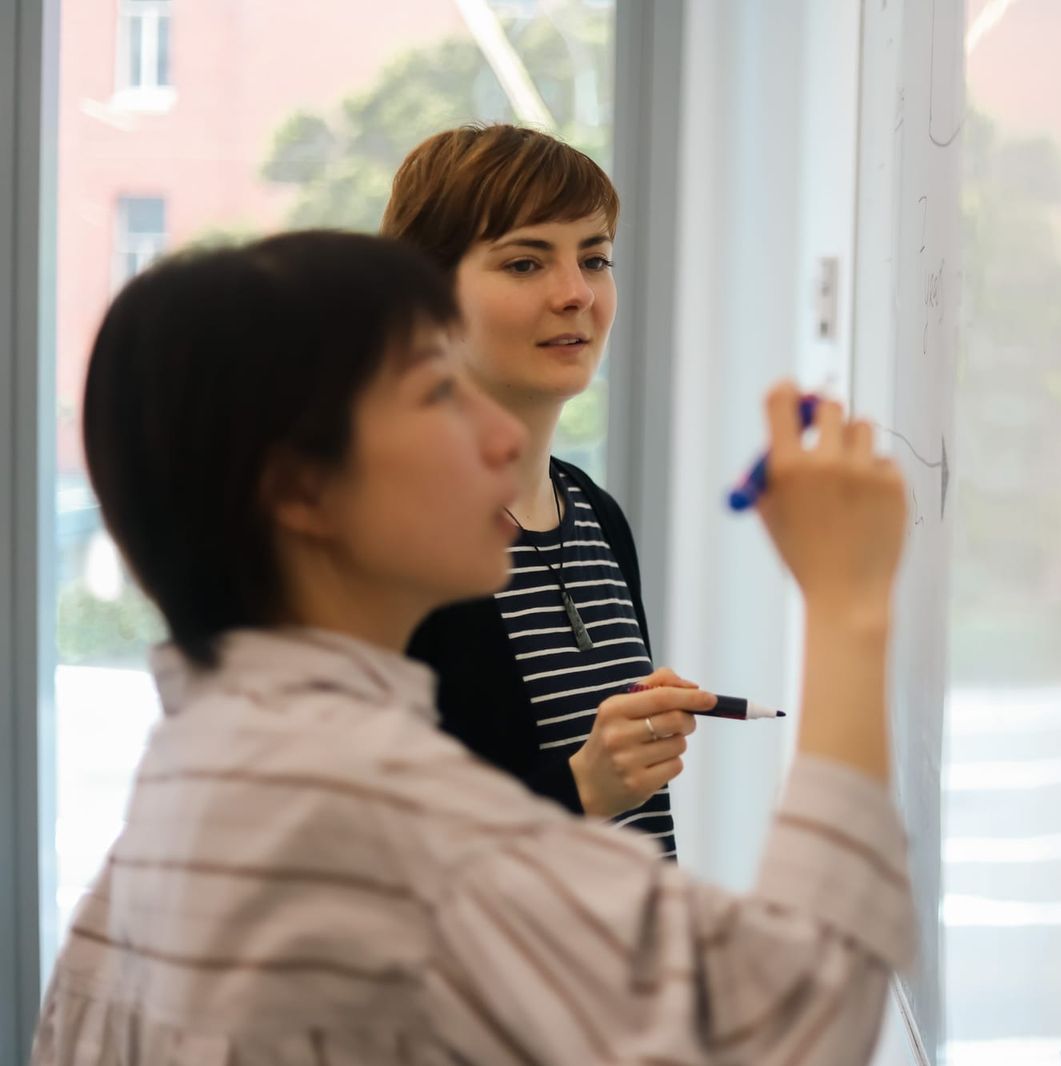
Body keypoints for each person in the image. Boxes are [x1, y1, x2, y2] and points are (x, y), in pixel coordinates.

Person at [32, 231, 913, 1065]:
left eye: (595, 256)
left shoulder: (205, 766)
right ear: (301, 488)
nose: (501, 438)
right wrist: (848, 601)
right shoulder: (351, 803)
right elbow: (802, 1016)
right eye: (438, 394)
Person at [382, 125, 680, 848]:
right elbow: (366, 842)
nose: (576, 294)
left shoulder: (593, 513)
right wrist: (579, 787)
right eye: (524, 263)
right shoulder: (390, 531)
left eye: (596, 258)